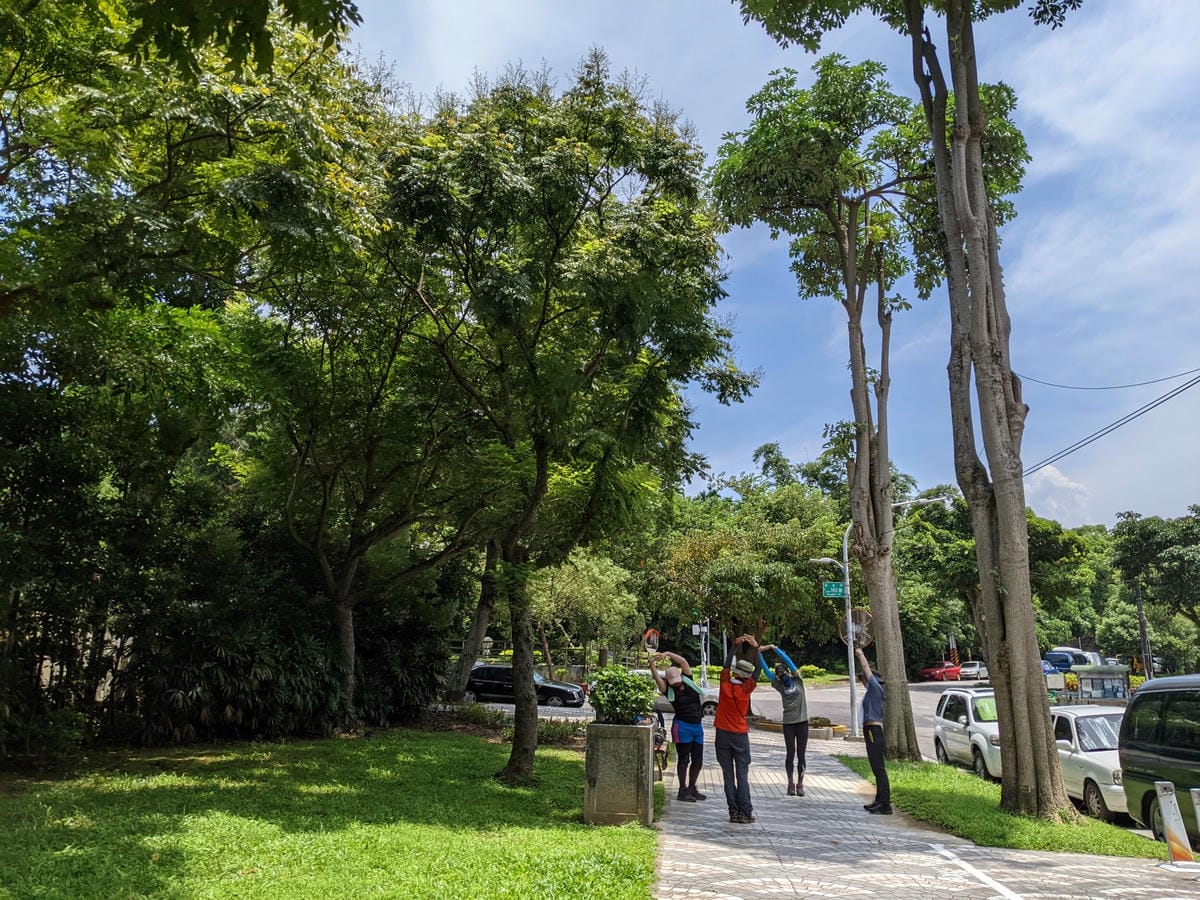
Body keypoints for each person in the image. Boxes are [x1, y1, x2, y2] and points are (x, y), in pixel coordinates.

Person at [647, 649, 708, 802]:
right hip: (682, 726)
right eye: (673, 682)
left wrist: (667, 654)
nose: (677, 684)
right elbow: (656, 677)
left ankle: (692, 788)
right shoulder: (668, 690)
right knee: (683, 759)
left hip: (697, 726)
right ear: (668, 681)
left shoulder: (688, 680)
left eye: (678, 681)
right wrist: (652, 664)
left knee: (698, 760)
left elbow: (683, 662)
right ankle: (682, 790)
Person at [715, 634, 761, 824]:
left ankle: (733, 812)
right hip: (739, 734)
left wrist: (735, 646)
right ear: (746, 675)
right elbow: (758, 669)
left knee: (727, 776)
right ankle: (746, 813)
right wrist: (755, 647)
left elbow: (725, 665)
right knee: (742, 775)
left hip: (722, 733)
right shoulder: (747, 688)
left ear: (734, 672)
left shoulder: (724, 683)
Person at [759, 643, 809, 796]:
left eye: (784, 672)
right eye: (779, 674)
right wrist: (759, 653)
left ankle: (800, 783)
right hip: (788, 724)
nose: (782, 674)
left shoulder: (798, 680)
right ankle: (790, 783)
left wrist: (774, 649)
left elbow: (788, 660)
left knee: (801, 754)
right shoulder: (779, 685)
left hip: (802, 722)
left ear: (788, 672)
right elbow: (766, 671)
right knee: (790, 753)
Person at [857, 646, 891, 814]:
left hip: (874, 731)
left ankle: (885, 804)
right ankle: (879, 800)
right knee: (876, 768)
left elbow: (866, 669)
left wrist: (860, 654)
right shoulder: (872, 692)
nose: (863, 681)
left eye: (865, 679)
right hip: (870, 731)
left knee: (879, 769)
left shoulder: (875, 689)